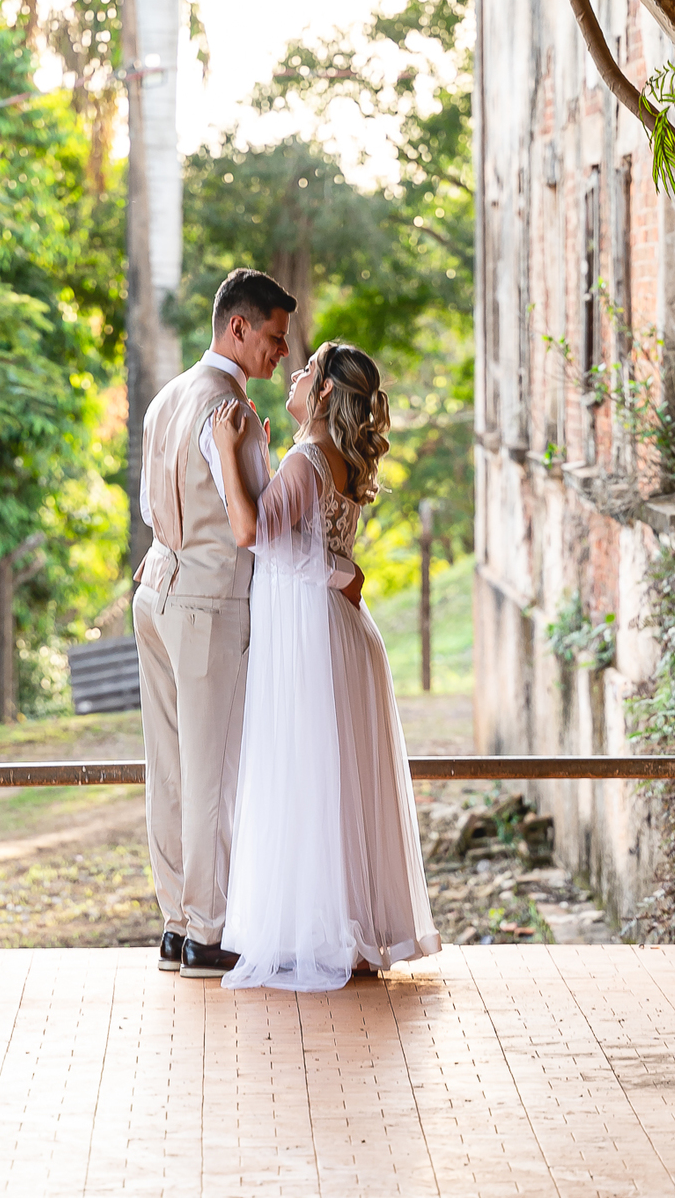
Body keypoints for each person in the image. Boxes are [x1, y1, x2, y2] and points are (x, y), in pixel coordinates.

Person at [133, 269, 363, 979]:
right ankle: (204, 929)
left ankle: (176, 919)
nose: (279, 352)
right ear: (238, 328)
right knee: (211, 773)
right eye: (271, 336)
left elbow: (151, 502)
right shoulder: (223, 409)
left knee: (168, 768)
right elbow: (253, 527)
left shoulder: (170, 396)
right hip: (208, 600)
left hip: (156, 585)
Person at [211, 341, 441, 991]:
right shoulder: (330, 458)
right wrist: (343, 571)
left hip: (312, 633)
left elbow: (252, 530)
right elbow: (308, 548)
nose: (295, 371)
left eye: (307, 368)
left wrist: (230, 451)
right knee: (330, 781)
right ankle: (346, 929)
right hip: (333, 629)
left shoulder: (309, 458)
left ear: (323, 395)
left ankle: (326, 932)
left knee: (309, 772)